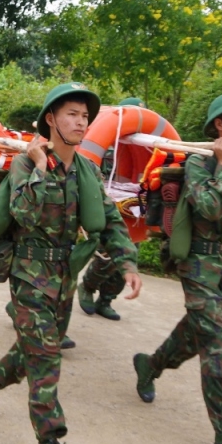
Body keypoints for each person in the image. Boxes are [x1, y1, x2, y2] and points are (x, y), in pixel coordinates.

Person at [0, 83, 143, 444]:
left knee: (31, 355)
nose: (80, 122)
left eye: (85, 116)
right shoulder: (23, 166)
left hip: (65, 277)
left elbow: (110, 219)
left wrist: (128, 264)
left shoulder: (86, 169)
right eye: (71, 114)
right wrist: (37, 166)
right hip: (29, 276)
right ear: (50, 119)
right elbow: (25, 214)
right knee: (47, 360)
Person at [131, 92, 222, 444]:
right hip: (197, 261)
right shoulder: (200, 163)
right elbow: (209, 208)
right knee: (216, 340)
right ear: (219, 125)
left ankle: (150, 365)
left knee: (196, 334)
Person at [78, 96, 145, 322]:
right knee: (106, 254)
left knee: (128, 251)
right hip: (102, 203)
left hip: (131, 207)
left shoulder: (144, 144)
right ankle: (87, 285)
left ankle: (106, 300)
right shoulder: (105, 142)